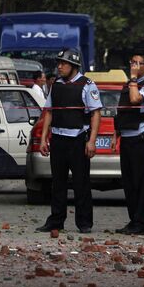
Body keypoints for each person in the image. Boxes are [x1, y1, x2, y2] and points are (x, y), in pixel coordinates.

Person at [36, 48, 102, 234]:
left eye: (63, 63)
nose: (59, 67)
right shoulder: (56, 84)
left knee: (81, 183)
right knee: (58, 182)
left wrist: (92, 141)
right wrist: (43, 139)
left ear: (73, 65)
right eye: (59, 63)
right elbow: (49, 112)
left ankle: (84, 222)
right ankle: (56, 220)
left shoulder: (87, 85)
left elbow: (96, 113)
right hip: (58, 139)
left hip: (77, 140)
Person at [112, 50, 144, 235]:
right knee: (129, 182)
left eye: (138, 63)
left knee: (141, 183)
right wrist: (115, 135)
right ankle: (134, 221)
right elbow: (122, 110)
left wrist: (132, 80)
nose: (133, 66)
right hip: (127, 137)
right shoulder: (130, 84)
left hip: (141, 139)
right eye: (132, 62)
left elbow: (135, 100)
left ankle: (143, 224)